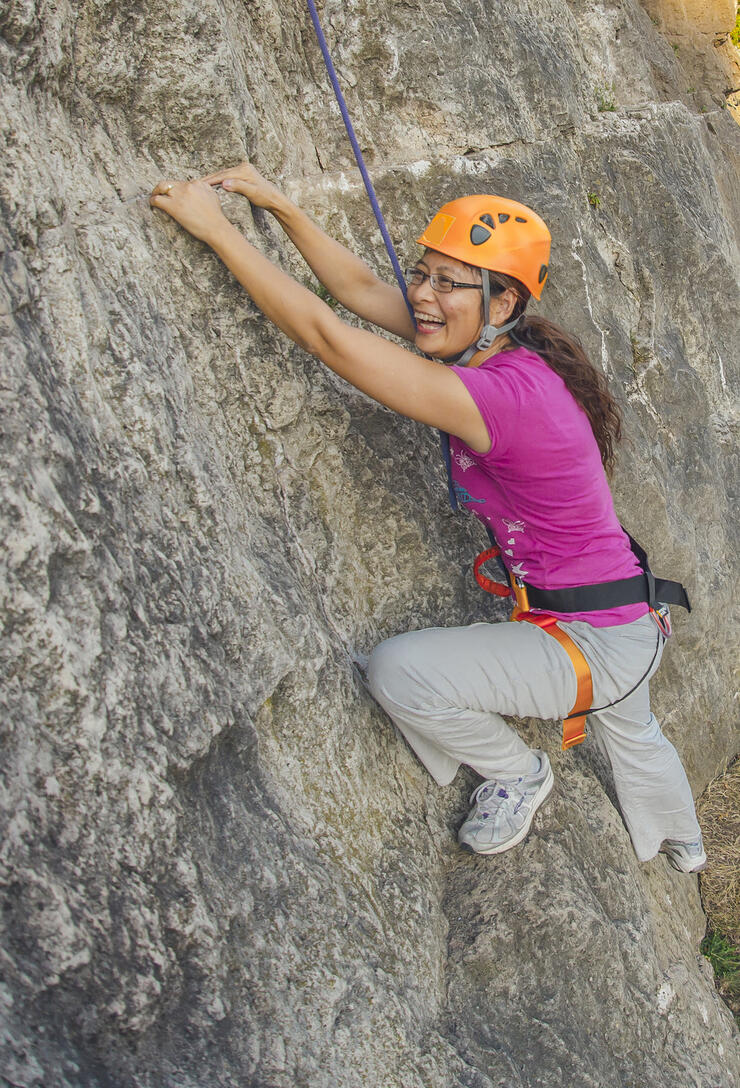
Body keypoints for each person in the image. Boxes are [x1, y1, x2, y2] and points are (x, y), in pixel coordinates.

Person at [150, 164, 705, 873]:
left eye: (448, 283)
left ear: (502, 302)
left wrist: (217, 231)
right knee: (635, 729)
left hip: (594, 638)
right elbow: (357, 291)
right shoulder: (507, 347)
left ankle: (518, 772)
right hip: (622, 614)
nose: (421, 295)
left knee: (399, 671)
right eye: (421, 274)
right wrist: (277, 204)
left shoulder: (500, 396)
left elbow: (328, 339)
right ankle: (685, 843)